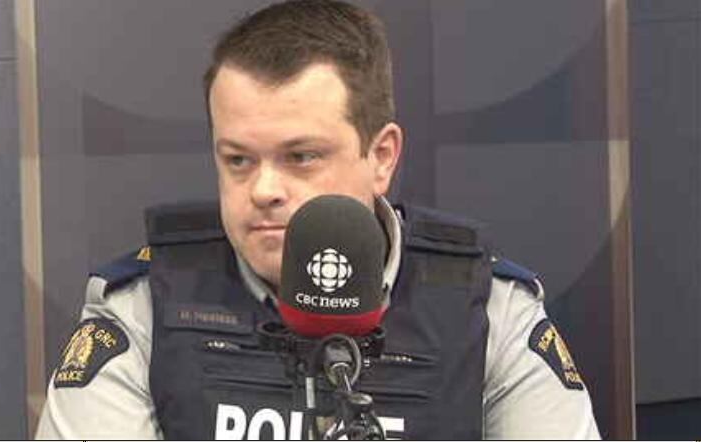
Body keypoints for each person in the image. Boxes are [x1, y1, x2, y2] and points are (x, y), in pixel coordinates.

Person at [36, 0, 600, 439]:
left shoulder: (488, 313)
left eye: (301, 157)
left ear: (381, 157)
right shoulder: (142, 310)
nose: (263, 190)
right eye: (238, 160)